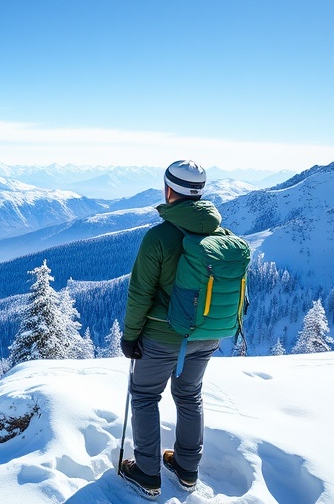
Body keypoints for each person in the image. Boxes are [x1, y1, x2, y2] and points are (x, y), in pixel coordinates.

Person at [118, 159, 223, 497]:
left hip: (162, 337)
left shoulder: (159, 237)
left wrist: (130, 336)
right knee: (190, 395)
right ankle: (187, 468)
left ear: (168, 190)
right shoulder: (221, 234)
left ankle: (148, 473)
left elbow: (140, 293)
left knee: (146, 397)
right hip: (206, 334)